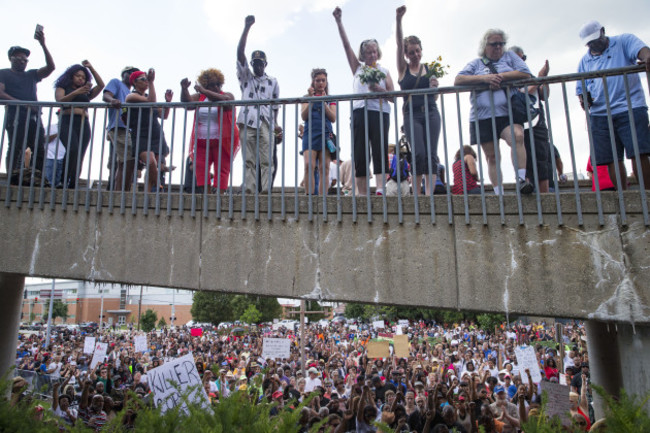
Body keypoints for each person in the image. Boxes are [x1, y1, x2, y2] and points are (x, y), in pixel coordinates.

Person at [455, 29, 533, 195]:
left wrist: (502, 77)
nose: (498, 47)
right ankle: (499, 193)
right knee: (492, 156)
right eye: (494, 44)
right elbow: (458, 80)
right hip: (483, 116)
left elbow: (526, 74)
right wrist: (485, 79)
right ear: (485, 46)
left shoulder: (510, 58)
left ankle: (521, 179)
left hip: (508, 113)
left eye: (501, 44)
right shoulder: (475, 64)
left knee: (517, 136)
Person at [577, 20, 650, 190]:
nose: (594, 44)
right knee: (611, 159)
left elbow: (642, 51)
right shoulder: (585, 60)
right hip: (600, 113)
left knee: (639, 154)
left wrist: (647, 57)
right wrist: (584, 99)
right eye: (589, 42)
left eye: (596, 39)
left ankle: (647, 196)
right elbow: (581, 88)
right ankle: (622, 199)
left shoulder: (624, 41)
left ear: (603, 31)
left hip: (629, 106)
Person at [333, 6, 394, 196]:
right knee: (360, 152)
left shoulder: (384, 71)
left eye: (374, 51)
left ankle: (380, 188)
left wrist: (379, 90)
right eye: (368, 52)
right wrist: (339, 21)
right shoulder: (358, 69)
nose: (372, 55)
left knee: (379, 149)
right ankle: (361, 192)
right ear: (363, 54)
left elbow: (393, 96)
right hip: (360, 111)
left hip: (380, 111)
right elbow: (346, 45)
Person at [396, 5, 441, 196]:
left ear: (421, 50)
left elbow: (435, 96)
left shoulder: (429, 69)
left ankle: (429, 194)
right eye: (411, 52)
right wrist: (399, 20)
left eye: (417, 51)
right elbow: (399, 44)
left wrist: (434, 88)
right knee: (419, 153)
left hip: (430, 111)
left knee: (431, 153)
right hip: (412, 114)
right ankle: (416, 193)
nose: (415, 55)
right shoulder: (403, 68)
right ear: (406, 54)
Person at [0, 28, 55, 183]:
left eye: (25, 60)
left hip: (34, 116)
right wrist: (23, 104)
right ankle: (13, 176)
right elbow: (0, 93)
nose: (22, 62)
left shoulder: (31, 74)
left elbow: (50, 68)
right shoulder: (4, 73)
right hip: (16, 114)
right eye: (18, 59)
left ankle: (36, 177)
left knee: (38, 147)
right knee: (17, 146)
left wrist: (43, 44)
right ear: (11, 59)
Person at [236, 15, 282, 194]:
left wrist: (276, 124)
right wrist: (247, 27)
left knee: (266, 159)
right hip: (248, 121)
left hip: (267, 123)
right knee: (249, 159)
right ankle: (249, 191)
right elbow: (239, 53)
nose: (257, 66)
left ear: (266, 64)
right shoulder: (246, 76)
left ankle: (265, 193)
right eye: (255, 63)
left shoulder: (273, 81)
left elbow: (276, 105)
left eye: (260, 63)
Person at [181, 68, 240, 193]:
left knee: (222, 169)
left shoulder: (227, 95)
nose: (217, 87)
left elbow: (225, 102)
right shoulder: (200, 97)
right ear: (206, 84)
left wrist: (204, 91)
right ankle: (207, 198)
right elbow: (187, 104)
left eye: (219, 84)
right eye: (213, 84)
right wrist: (184, 89)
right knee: (200, 168)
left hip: (222, 142)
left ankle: (219, 198)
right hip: (202, 141)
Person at [54, 61, 104, 188]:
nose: (81, 79)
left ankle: (73, 182)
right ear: (71, 76)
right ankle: (62, 180)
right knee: (72, 148)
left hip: (83, 123)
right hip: (67, 121)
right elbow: (60, 100)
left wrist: (91, 68)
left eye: (83, 77)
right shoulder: (62, 88)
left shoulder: (86, 92)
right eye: (78, 76)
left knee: (80, 153)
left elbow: (101, 85)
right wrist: (76, 92)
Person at [511, 46, 552, 193]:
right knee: (524, 161)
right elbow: (519, 95)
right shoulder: (507, 77)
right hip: (520, 124)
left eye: (523, 58)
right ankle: (526, 187)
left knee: (542, 160)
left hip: (537, 122)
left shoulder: (530, 76)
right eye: (517, 58)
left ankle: (545, 196)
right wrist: (539, 80)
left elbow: (544, 96)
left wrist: (544, 79)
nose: (521, 61)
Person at [125, 69, 173, 192]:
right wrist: (152, 82)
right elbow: (151, 102)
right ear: (135, 82)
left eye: (147, 79)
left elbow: (164, 115)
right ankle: (159, 185)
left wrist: (168, 102)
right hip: (141, 135)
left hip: (155, 134)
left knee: (155, 166)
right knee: (150, 161)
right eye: (143, 79)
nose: (146, 82)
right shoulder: (131, 96)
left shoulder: (148, 96)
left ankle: (148, 193)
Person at [103, 66, 140, 192]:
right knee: (129, 160)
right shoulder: (116, 82)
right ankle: (121, 192)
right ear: (123, 74)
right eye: (130, 72)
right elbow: (106, 95)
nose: (132, 75)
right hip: (119, 127)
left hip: (129, 129)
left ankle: (119, 191)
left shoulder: (132, 93)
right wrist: (113, 100)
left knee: (123, 161)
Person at [301, 68, 336, 196]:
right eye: (318, 80)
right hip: (310, 133)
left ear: (326, 82)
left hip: (325, 135)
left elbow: (333, 118)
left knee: (324, 167)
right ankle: (309, 196)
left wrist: (324, 101)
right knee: (308, 165)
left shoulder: (331, 98)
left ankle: (323, 198)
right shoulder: (306, 97)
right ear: (313, 82)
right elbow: (304, 116)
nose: (320, 83)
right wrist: (311, 99)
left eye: (323, 80)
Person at [43, 119, 65, 187]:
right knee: (48, 183)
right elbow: (44, 139)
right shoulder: (51, 127)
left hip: (63, 158)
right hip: (50, 157)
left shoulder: (69, 128)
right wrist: (57, 134)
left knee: (58, 184)